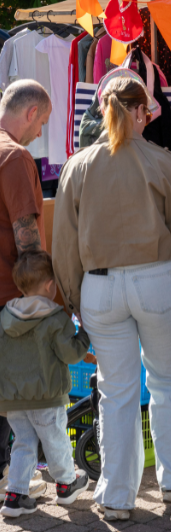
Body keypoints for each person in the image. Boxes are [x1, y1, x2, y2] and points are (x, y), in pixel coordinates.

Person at [53, 77, 171, 522]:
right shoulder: (161, 161)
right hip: (156, 280)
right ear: (141, 112)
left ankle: (116, 494)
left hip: (99, 287)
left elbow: (63, 241)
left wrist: (71, 295)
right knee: (169, 382)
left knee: (115, 390)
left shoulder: (77, 165)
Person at [0, 251, 91, 517]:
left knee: (23, 443)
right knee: (55, 439)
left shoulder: (6, 317)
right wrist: (84, 335)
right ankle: (66, 484)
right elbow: (71, 354)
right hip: (46, 395)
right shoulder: (55, 319)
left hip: (14, 398)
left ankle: (15, 494)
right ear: (51, 286)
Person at [0, 79, 52, 494]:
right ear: (30, 112)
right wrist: (45, 296)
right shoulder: (15, 157)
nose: (41, 134)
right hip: (9, 296)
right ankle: (9, 480)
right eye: (42, 123)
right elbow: (27, 238)